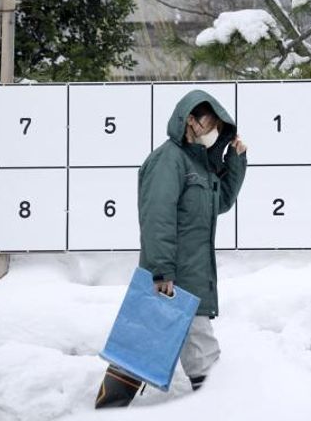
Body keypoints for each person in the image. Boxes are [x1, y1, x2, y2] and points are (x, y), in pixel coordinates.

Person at [95, 90, 247, 408]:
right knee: (201, 357)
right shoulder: (169, 159)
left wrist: (235, 160)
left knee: (139, 350)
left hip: (190, 275)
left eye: (219, 124)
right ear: (190, 120)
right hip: (174, 279)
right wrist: (161, 270)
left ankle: (108, 409)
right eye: (210, 122)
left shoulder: (199, 165)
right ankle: (225, 409)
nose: (214, 129)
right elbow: (157, 218)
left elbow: (219, 202)